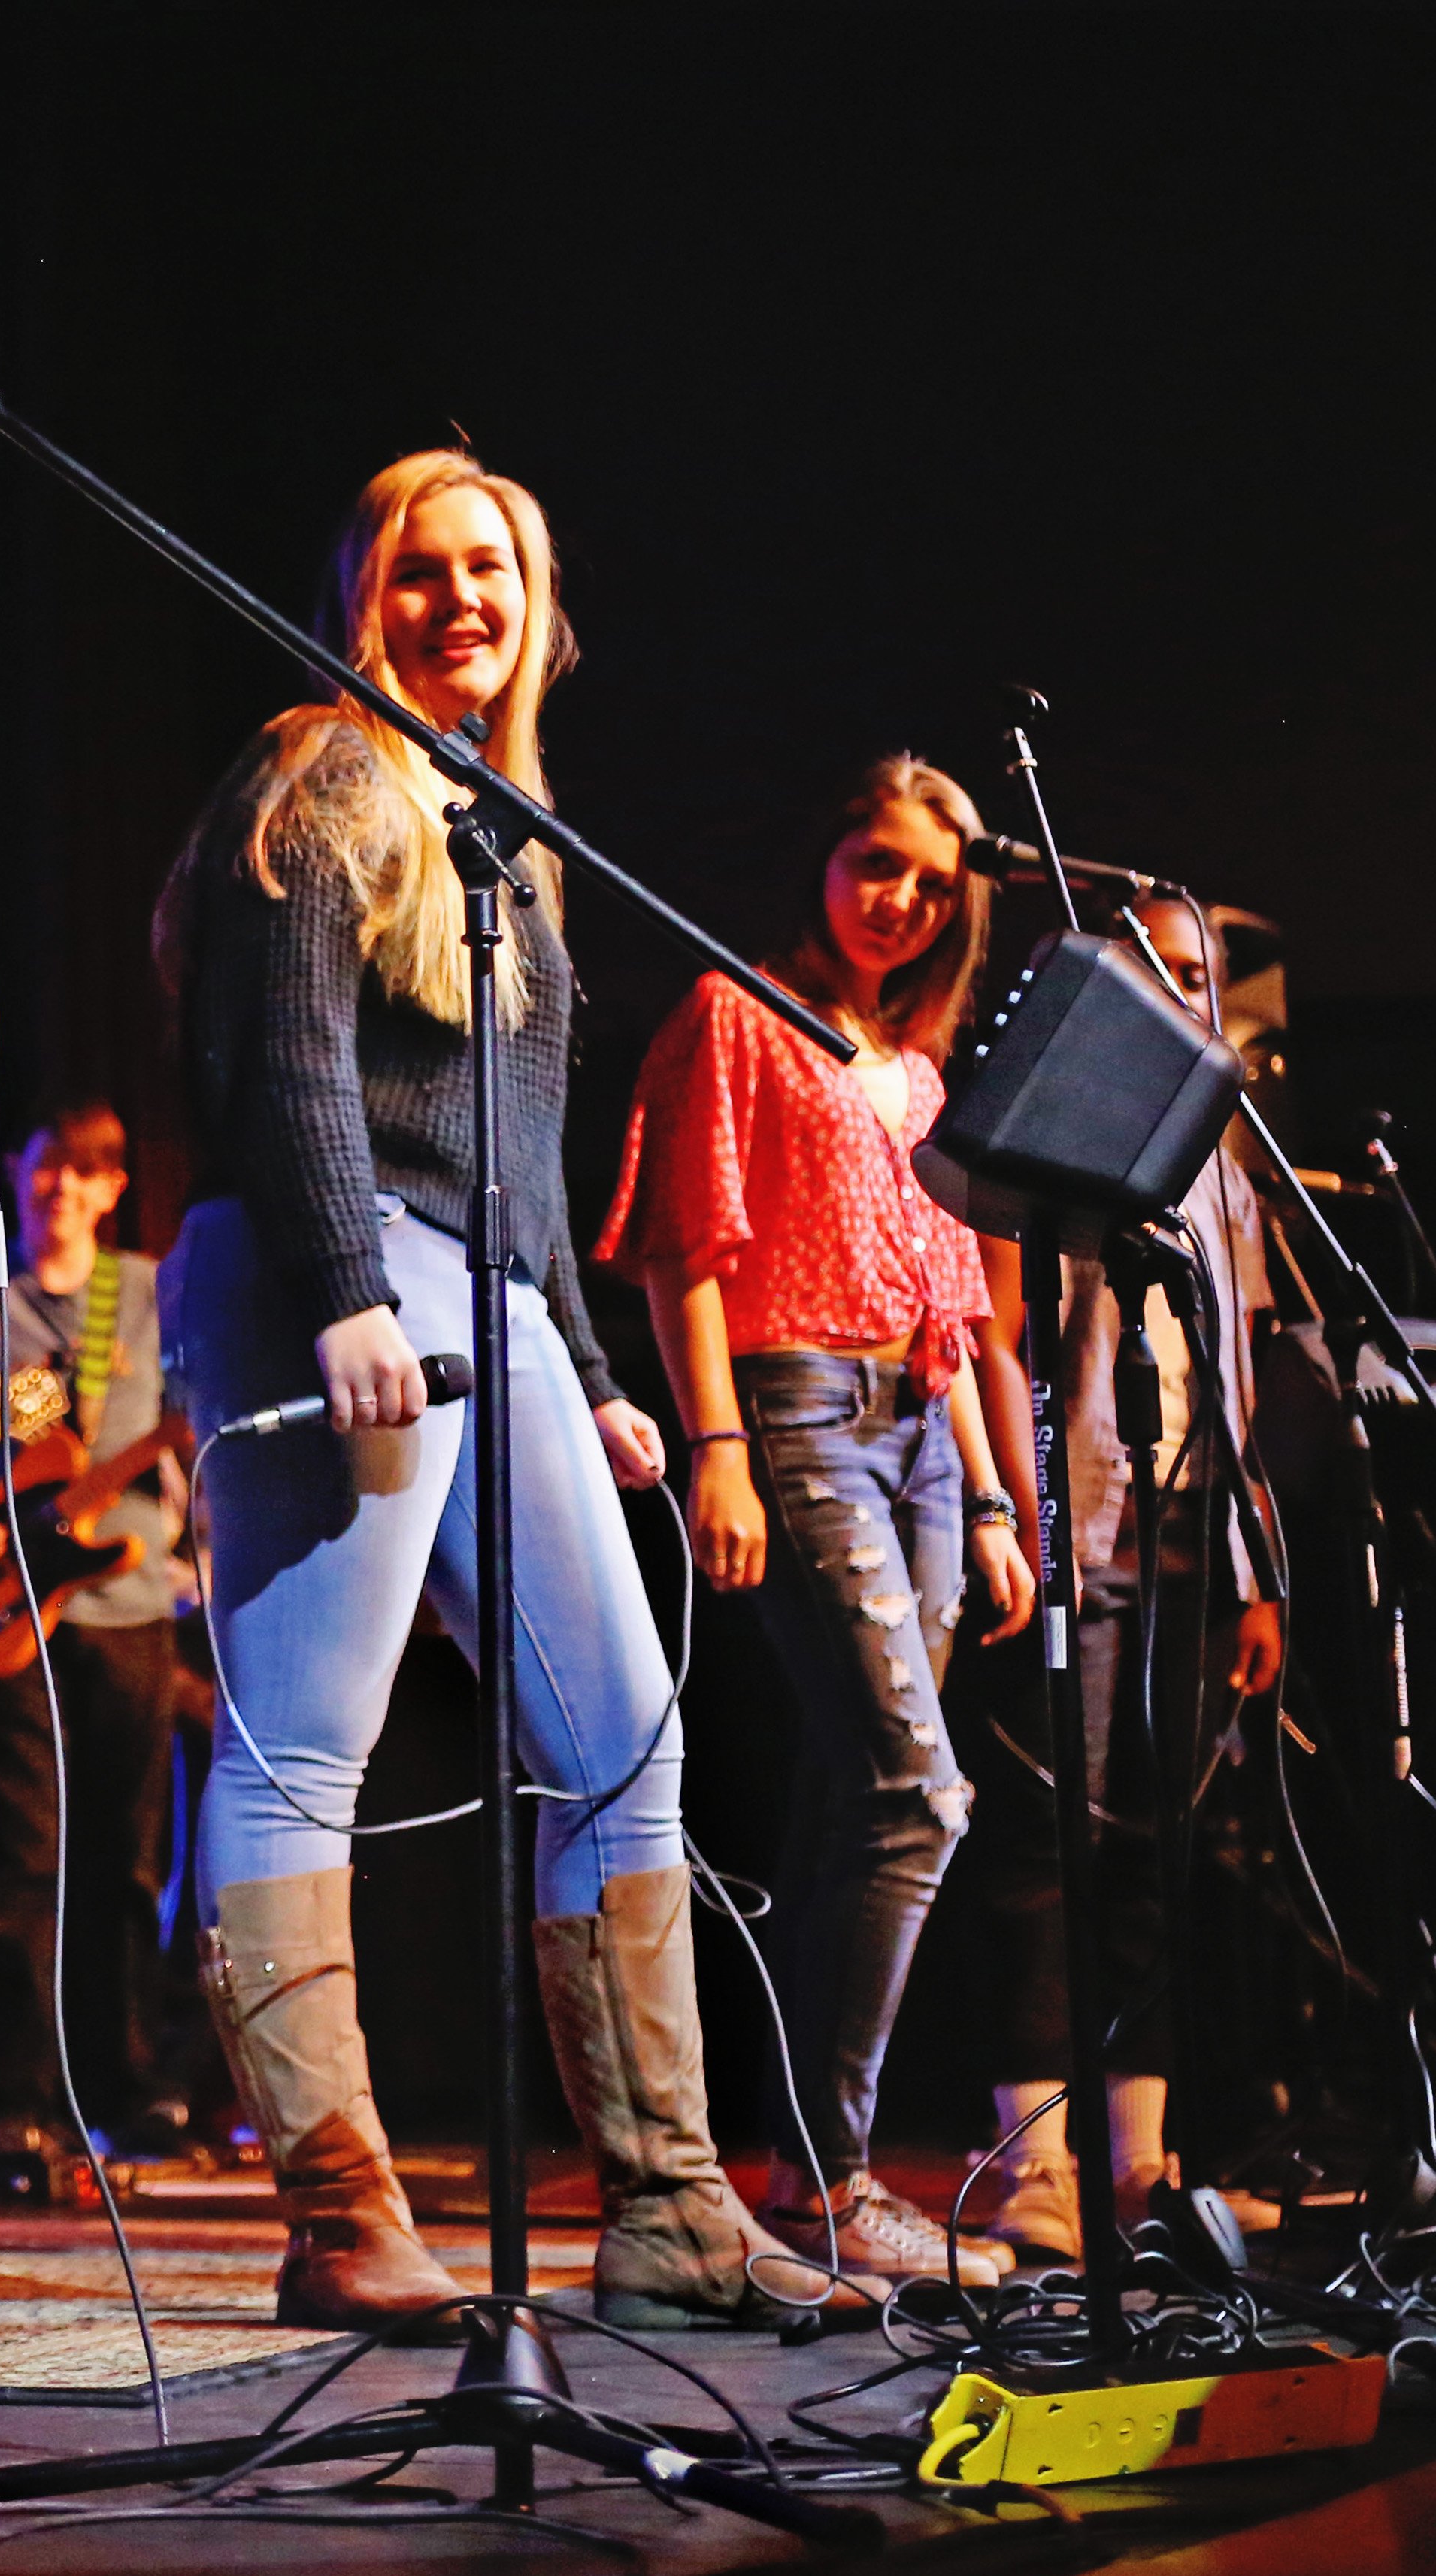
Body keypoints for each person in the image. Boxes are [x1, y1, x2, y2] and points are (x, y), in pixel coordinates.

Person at [154, 447, 860, 2330]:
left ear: (538, 610)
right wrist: (333, 1292)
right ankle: (337, 2214)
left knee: (628, 1739)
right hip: (338, 1272)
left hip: (489, 1290)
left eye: (493, 572)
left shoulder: (502, 833)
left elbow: (518, 1143)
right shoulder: (319, 770)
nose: (463, 600)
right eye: (422, 570)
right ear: (360, 593)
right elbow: (286, 1056)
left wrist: (593, 1362)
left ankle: (672, 2207)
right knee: (310, 1739)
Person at [596, 755, 1041, 2287]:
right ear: (825, 856)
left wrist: (990, 1492)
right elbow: (680, 1247)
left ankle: (795, 2163)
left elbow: (952, 1312)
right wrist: (715, 1440)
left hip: (920, 1429)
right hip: (793, 1408)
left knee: (856, 1800)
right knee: (923, 1790)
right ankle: (835, 2174)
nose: (900, 903)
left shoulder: (917, 1073)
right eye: (878, 866)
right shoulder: (738, 1014)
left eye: (930, 885)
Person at [958, 889, 1287, 2262]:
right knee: (1052, 1848)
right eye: (1150, 964)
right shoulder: (1053, 1121)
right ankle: (1032, 2165)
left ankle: (1140, 2163)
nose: (1178, 988)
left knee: (1159, 1845)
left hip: (1186, 1537)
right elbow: (996, 1328)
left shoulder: (1223, 1158)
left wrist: (1255, 1564)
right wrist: (1025, 1517)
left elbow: (1243, 1372)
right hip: (1074, 1520)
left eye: (1198, 971)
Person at [0, 1096, 208, 2181]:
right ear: (19, 1173)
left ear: (111, 1191)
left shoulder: (143, 1294)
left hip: (128, 1604)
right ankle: (15, 2099)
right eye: (47, 1171)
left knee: (128, 1863)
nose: (61, 1192)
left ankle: (131, 2089)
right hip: (12, 1609)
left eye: (85, 1176)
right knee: (20, 1858)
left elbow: (177, 1409)